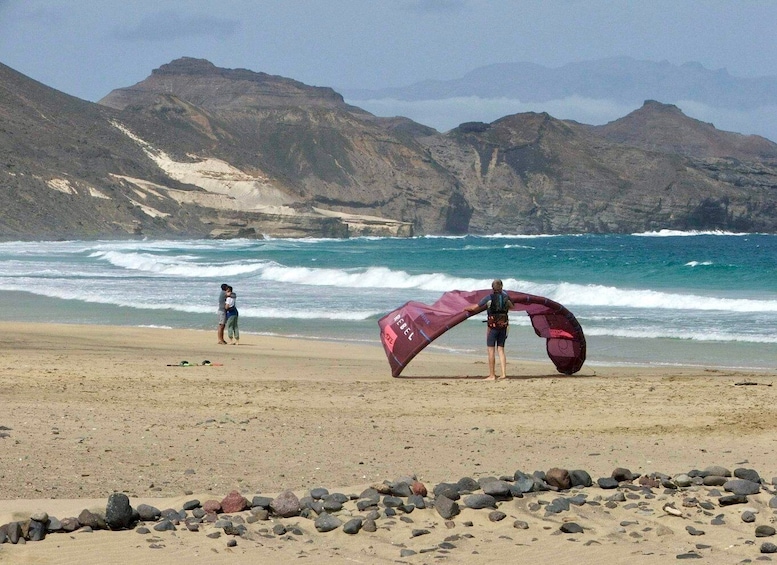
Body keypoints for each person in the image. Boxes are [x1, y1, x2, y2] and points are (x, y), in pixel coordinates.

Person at [464, 279, 514, 380]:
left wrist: (465, 308)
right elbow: (512, 306)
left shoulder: (489, 297)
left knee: (491, 350)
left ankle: (492, 375)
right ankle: (504, 374)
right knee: (501, 349)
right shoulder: (506, 297)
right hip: (503, 326)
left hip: (493, 327)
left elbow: (475, 308)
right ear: (501, 287)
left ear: (492, 288)